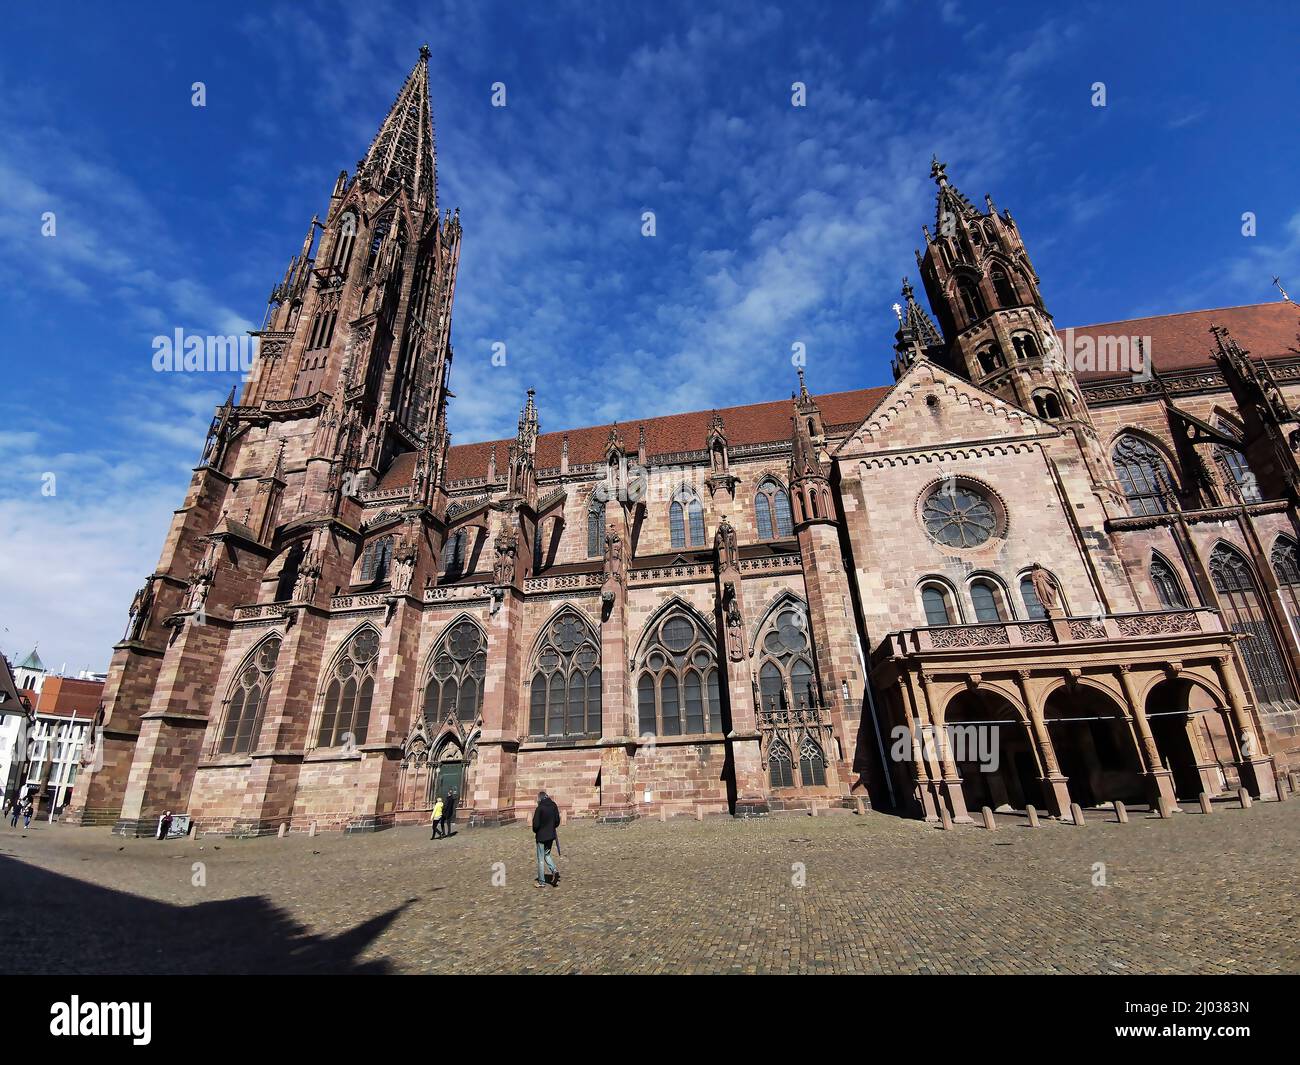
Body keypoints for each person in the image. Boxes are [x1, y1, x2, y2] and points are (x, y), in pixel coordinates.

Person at [531, 790, 561, 888]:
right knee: (547, 854)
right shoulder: (553, 805)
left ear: (539, 798)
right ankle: (554, 871)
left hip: (541, 836)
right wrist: (552, 827)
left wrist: (537, 831)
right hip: (551, 835)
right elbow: (557, 821)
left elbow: (535, 825)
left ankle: (541, 882)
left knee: (540, 859)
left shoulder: (539, 808)